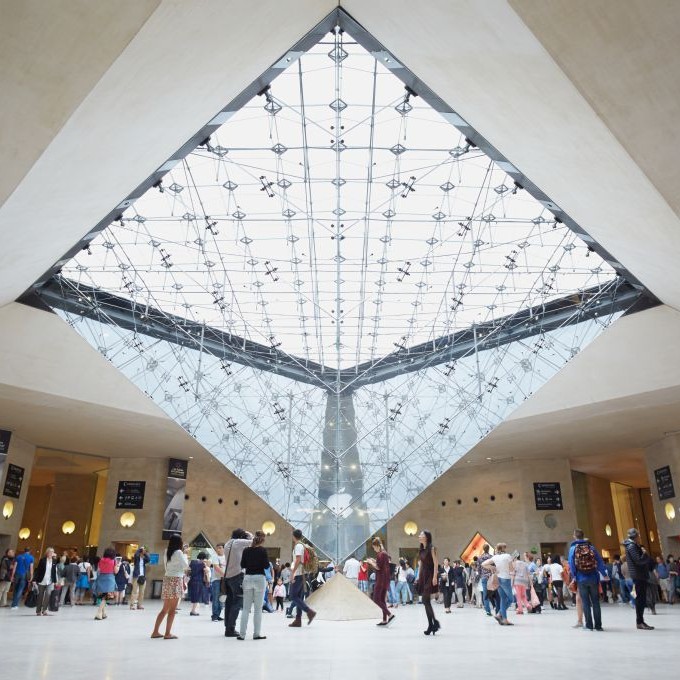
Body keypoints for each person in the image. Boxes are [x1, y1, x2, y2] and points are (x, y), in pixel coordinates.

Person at [567, 529, 607, 631]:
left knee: (585, 602)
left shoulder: (573, 549)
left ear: (574, 536)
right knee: (596, 602)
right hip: (593, 577)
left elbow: (571, 565)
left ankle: (589, 625)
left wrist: (575, 576)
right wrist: (604, 574)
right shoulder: (591, 547)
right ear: (583, 536)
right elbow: (599, 561)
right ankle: (598, 626)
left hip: (581, 578)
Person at [151, 534, 188, 639]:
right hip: (176, 580)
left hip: (167, 579)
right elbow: (186, 566)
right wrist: (185, 554)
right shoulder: (179, 552)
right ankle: (167, 633)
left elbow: (166, 565)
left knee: (164, 609)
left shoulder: (167, 551)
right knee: (172, 610)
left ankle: (155, 631)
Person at [238, 530, 270, 640]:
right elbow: (266, 566)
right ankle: (256, 634)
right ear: (263, 540)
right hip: (259, 579)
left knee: (246, 609)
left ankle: (242, 634)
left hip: (247, 578)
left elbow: (242, 564)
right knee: (257, 609)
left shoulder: (246, 550)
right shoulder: (263, 551)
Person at [223, 528, 254, 637]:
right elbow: (255, 541)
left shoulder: (228, 543)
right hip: (237, 576)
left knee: (229, 603)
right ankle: (230, 629)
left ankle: (227, 626)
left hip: (227, 577)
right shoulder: (238, 542)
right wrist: (248, 533)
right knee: (237, 602)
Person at [624, 528, 654, 630]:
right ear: (636, 536)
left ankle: (641, 621)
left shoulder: (633, 545)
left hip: (640, 575)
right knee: (640, 599)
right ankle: (639, 622)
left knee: (641, 599)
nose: (639, 537)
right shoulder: (632, 546)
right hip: (638, 575)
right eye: (638, 535)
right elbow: (638, 560)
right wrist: (645, 554)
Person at [288, 529, 317, 627]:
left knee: (293, 596)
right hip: (302, 574)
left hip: (298, 574)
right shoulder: (302, 545)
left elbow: (298, 559)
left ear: (293, 536)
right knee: (299, 597)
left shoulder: (298, 546)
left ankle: (309, 612)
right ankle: (298, 620)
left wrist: (292, 573)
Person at [483, 543, 514, 626]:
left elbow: (483, 564)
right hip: (505, 579)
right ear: (504, 548)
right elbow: (511, 569)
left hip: (498, 579)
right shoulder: (508, 556)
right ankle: (499, 613)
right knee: (511, 599)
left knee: (503, 599)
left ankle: (504, 619)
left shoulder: (495, 557)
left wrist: (492, 567)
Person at [365, 537, 394, 626]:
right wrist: (374, 561)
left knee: (376, 599)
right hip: (386, 580)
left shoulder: (380, 554)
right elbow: (382, 564)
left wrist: (370, 562)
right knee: (382, 600)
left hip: (380, 580)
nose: (373, 549)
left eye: (374, 547)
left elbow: (378, 567)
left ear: (376, 545)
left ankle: (390, 614)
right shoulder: (384, 553)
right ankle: (384, 620)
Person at [416, 530, 439, 635]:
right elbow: (420, 565)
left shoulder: (432, 548)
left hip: (430, 576)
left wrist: (435, 577)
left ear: (426, 537)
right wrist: (417, 577)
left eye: (421, 535)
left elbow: (436, 563)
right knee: (426, 602)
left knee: (425, 600)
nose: (419, 536)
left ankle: (433, 624)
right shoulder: (421, 550)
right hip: (423, 576)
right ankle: (432, 624)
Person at [93, 548, 120, 621]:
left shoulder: (101, 560)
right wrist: (117, 566)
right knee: (106, 597)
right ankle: (99, 613)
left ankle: (104, 613)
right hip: (109, 579)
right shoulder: (113, 561)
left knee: (102, 596)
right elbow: (116, 571)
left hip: (101, 578)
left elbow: (99, 570)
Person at [33, 547, 57, 616]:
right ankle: (38, 611)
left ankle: (44, 610)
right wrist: (34, 580)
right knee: (40, 596)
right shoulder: (42, 560)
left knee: (48, 594)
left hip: (50, 581)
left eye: (52, 552)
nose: (51, 553)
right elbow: (38, 570)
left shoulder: (54, 561)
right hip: (42, 580)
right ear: (47, 553)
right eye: (50, 552)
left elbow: (54, 572)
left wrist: (55, 581)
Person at [188, 551, 210, 615]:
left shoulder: (192, 562)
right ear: (204, 558)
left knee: (193, 595)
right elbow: (206, 571)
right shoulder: (202, 564)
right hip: (199, 581)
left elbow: (188, 570)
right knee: (197, 596)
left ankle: (193, 609)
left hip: (192, 580)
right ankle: (193, 611)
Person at [130, 546, 149, 610]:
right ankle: (132, 605)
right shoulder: (136, 559)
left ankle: (139, 605)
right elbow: (136, 554)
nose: (142, 553)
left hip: (142, 577)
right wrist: (140, 549)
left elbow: (148, 559)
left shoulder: (144, 560)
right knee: (134, 591)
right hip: (136, 576)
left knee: (142, 592)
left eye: (143, 552)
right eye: (142, 552)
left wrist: (145, 553)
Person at [210, 543, 226, 621]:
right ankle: (214, 615)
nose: (218, 549)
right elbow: (216, 567)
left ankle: (218, 614)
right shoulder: (215, 556)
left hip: (224, 580)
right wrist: (225, 575)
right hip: (216, 580)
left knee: (222, 598)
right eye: (217, 548)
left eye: (220, 548)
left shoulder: (226, 557)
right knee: (216, 598)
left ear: (224, 548)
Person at [477, 543, 493, 617]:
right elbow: (494, 566)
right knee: (493, 593)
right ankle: (496, 607)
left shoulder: (480, 558)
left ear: (483, 549)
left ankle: (487, 610)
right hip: (491, 577)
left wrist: (481, 576)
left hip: (484, 577)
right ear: (488, 549)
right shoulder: (491, 557)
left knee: (485, 593)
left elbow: (478, 569)